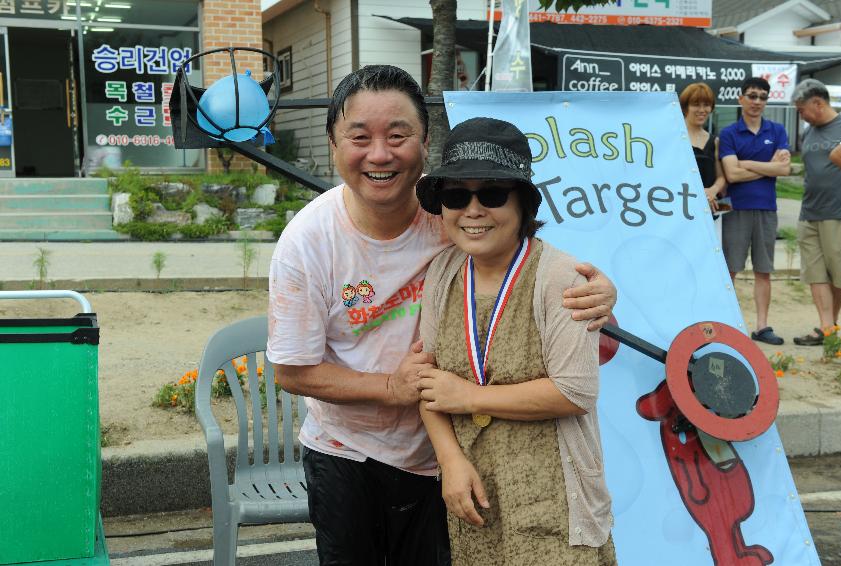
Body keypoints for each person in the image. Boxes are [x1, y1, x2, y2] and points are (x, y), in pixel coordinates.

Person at [266, 65, 617, 565]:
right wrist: (392, 388)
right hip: (348, 451)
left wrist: (601, 290)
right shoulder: (306, 244)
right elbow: (291, 370)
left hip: (448, 456)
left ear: (425, 144)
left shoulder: (451, 215)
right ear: (333, 144)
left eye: (398, 135)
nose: (380, 154)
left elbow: (533, 259)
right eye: (360, 137)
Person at [416, 117, 616, 565]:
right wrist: (450, 462)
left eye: (491, 194)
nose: (472, 210)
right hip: (475, 495)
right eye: (455, 195)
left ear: (522, 202)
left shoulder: (559, 277)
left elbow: (575, 390)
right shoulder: (443, 273)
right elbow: (427, 383)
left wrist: (468, 396)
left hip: (554, 500)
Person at [719, 77, 791, 345]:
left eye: (762, 97)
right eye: (751, 95)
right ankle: (725, 324)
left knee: (764, 270)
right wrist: (765, 166)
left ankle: (761, 326)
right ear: (740, 99)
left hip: (766, 209)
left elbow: (784, 169)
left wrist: (745, 163)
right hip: (736, 209)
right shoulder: (728, 133)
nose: (757, 101)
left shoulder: (777, 130)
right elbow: (731, 175)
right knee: (731, 270)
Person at [790, 79, 841, 345]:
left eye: (801, 109)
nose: (800, 114)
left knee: (838, 274)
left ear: (817, 102)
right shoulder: (809, 133)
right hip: (809, 212)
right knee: (815, 273)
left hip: (840, 213)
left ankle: (830, 325)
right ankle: (826, 328)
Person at [680, 82, 727, 213]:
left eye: (706, 105)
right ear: (685, 107)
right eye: (696, 104)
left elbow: (721, 177)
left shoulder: (715, 141)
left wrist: (713, 190)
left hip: (709, 209)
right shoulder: (673, 137)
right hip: (679, 208)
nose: (702, 110)